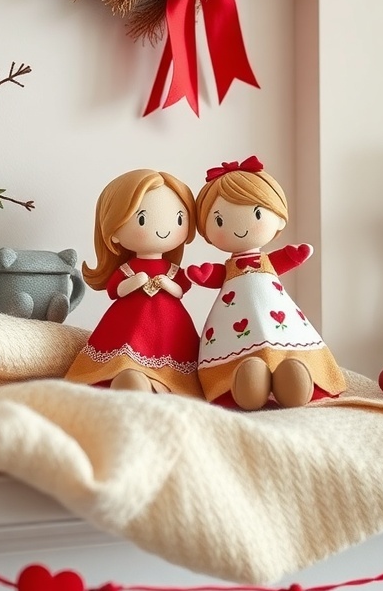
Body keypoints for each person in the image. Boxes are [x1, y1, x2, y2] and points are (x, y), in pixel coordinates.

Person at [187, 156, 346, 410]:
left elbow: (281, 260)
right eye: (219, 220)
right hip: (231, 324)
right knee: (242, 361)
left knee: (287, 344)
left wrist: (293, 255)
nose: (238, 229)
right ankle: (244, 384)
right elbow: (216, 275)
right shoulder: (230, 269)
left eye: (257, 213)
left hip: (279, 316)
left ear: (279, 217)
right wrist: (204, 275)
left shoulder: (266, 261)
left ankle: (293, 377)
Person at [64, 168, 203, 398]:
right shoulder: (127, 269)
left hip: (170, 328)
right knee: (126, 356)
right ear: (114, 232)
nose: (163, 229)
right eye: (142, 218)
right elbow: (115, 290)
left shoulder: (172, 270)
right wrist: (135, 281)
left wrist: (167, 285)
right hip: (129, 324)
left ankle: (160, 384)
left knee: (174, 358)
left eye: (179, 218)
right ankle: (132, 378)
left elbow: (180, 290)